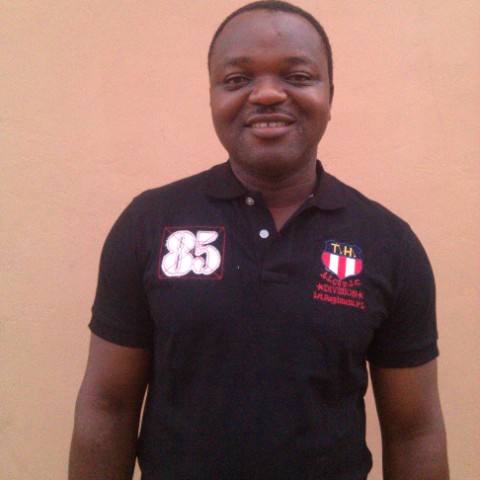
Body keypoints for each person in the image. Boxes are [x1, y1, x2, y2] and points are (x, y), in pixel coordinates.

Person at [68, 1, 449, 479]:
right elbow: (108, 405)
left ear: (330, 94)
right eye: (237, 79)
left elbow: (415, 431)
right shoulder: (149, 223)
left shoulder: (389, 243)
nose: (267, 93)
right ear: (212, 96)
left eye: (298, 76)